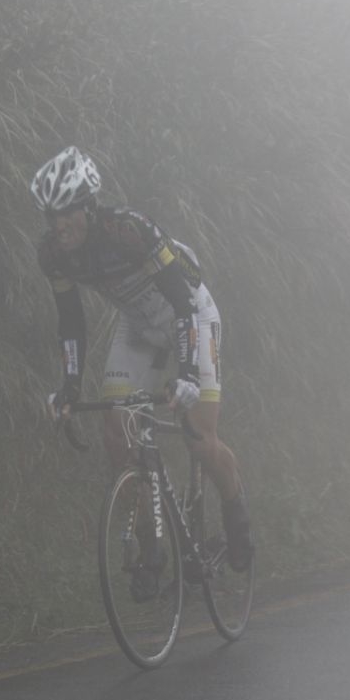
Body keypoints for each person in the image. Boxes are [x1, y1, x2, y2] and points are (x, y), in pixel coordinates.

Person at [33, 146, 254, 591]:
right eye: (51, 216)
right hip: (136, 325)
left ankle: (236, 517)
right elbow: (71, 323)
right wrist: (70, 385)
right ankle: (150, 549)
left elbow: (181, 300)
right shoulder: (53, 253)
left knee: (200, 440)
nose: (59, 226)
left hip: (189, 314)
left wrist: (189, 373)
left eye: (68, 213)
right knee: (115, 430)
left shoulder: (130, 230)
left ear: (88, 207)